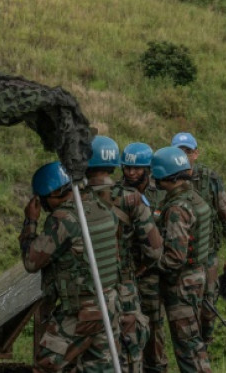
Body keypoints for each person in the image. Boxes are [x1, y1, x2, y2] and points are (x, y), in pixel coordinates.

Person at [20, 161, 121, 372]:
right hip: (108, 303)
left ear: (52, 195)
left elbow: (31, 261)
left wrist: (30, 222)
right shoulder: (99, 206)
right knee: (98, 367)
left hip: (83, 310)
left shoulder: (64, 218)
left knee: (46, 364)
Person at [83, 136, 162, 373]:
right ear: (116, 164)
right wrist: (138, 269)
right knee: (130, 349)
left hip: (84, 287)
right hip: (123, 285)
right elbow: (155, 249)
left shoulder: (73, 197)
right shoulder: (130, 198)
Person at [171, 132, 226, 350]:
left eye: (188, 152)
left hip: (207, 256)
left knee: (208, 304)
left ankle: (205, 346)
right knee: (180, 306)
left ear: (196, 154)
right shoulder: (164, 178)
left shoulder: (209, 179)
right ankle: (186, 347)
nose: (184, 156)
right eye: (178, 152)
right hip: (178, 257)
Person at [151, 147, 213, 373]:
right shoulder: (193, 196)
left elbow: (174, 258)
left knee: (188, 347)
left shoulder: (177, 207)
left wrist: (149, 267)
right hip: (195, 278)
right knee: (192, 342)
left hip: (181, 284)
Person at [120, 142, 167, 373]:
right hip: (122, 272)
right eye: (127, 167)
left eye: (137, 168)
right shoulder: (117, 193)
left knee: (153, 329)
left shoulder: (161, 194)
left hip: (151, 273)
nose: (131, 172)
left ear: (148, 169)